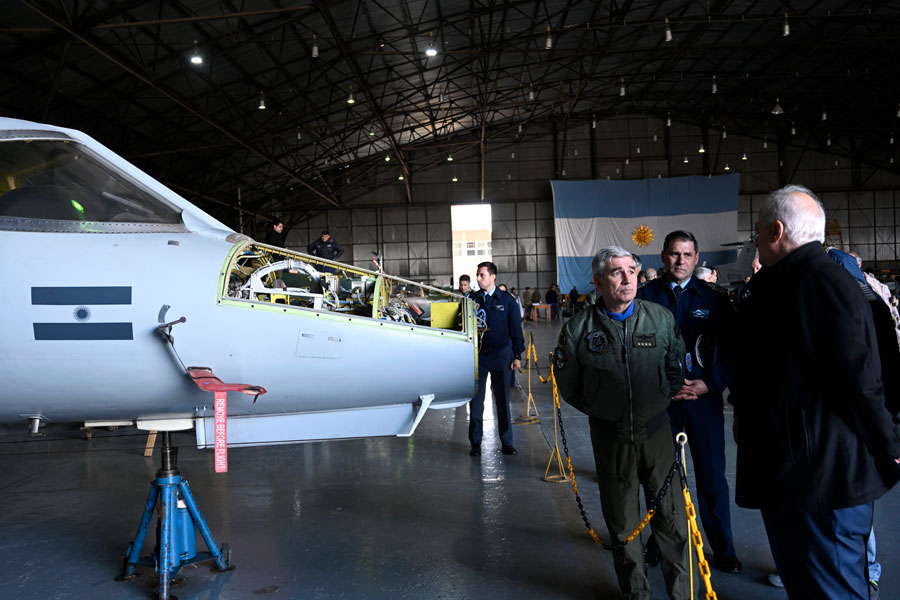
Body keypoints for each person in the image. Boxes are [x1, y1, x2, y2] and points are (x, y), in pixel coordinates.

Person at [730, 184, 900, 599]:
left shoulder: (822, 282)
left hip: (823, 479)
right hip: (791, 474)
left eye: (757, 231)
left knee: (833, 589)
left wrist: (889, 446)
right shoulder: (779, 284)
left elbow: (860, 380)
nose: (755, 239)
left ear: (776, 230)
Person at [555, 246, 692, 600]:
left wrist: (661, 398)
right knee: (623, 525)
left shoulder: (659, 319)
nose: (628, 278)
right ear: (598, 281)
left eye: (632, 270)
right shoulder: (579, 329)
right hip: (610, 437)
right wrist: (603, 409)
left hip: (658, 433)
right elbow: (568, 384)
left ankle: (682, 592)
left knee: (672, 518)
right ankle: (637, 594)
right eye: (617, 272)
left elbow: (676, 368)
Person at [637, 230, 742, 574]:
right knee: (661, 477)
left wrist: (710, 385)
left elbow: (731, 351)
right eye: (674, 254)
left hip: (702, 402)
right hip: (659, 405)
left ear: (696, 259)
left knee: (711, 477)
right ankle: (659, 540)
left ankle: (723, 548)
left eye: (687, 254)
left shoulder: (716, 301)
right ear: (663, 257)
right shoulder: (643, 299)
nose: (680, 260)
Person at [467, 262, 524, 457]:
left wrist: (517, 355)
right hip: (478, 357)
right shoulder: (470, 300)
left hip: (502, 356)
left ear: (493, 277)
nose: (478, 278)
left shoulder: (507, 301)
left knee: (502, 400)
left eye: (482, 275)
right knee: (476, 401)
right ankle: (475, 443)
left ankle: (507, 443)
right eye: (477, 275)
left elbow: (516, 329)